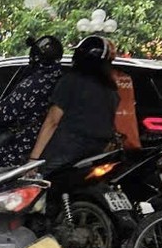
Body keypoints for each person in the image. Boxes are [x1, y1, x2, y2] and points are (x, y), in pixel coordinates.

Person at [0, 35, 63, 168]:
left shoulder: (33, 84)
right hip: (50, 145)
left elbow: (2, 113)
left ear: (35, 56)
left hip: (23, 148)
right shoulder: (62, 79)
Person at [30, 35, 120, 169]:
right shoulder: (111, 90)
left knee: (41, 184)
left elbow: (52, 122)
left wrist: (34, 160)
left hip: (66, 149)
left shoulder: (71, 81)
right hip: (97, 152)